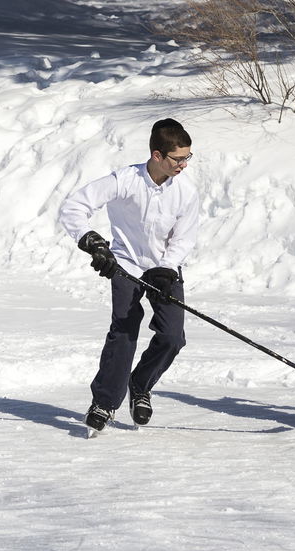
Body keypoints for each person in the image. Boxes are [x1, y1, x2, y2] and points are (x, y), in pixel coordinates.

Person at [59, 118, 200, 434]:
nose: (184, 165)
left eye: (187, 157)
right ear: (157, 155)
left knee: (172, 337)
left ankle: (140, 383)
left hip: (165, 268)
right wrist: (91, 242)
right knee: (124, 330)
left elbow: (185, 237)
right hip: (125, 265)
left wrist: (167, 267)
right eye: (178, 158)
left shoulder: (187, 192)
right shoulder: (124, 180)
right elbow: (73, 207)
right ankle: (105, 403)